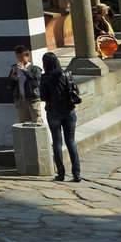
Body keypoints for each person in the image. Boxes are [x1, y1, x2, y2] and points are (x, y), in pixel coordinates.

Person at [39, 52, 83, 182]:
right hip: (69, 111)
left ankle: (61, 173)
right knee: (71, 142)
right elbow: (76, 91)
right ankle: (76, 173)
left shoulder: (45, 78)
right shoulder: (67, 74)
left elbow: (43, 97)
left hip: (53, 112)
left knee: (57, 143)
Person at [8, 46, 42, 125]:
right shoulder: (14, 69)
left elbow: (36, 83)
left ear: (27, 57)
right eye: (17, 57)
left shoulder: (35, 69)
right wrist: (12, 78)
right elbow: (9, 86)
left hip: (32, 100)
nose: (19, 59)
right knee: (23, 124)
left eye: (21, 57)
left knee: (36, 122)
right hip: (20, 100)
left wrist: (25, 71)